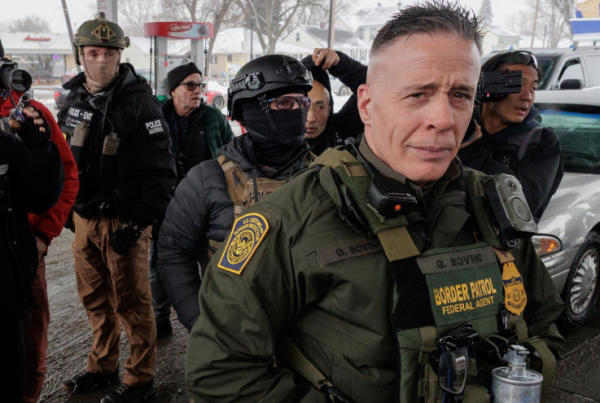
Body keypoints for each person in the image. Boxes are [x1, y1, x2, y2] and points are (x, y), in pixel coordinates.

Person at [185, 3, 565, 402]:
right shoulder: (291, 218)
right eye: (418, 94)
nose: (443, 119)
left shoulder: (491, 205)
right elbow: (220, 372)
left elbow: (544, 325)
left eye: (460, 95)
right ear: (366, 105)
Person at [57, 13, 176, 403]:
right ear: (81, 54)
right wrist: (70, 210)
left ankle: (140, 379)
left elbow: (162, 173)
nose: (102, 61)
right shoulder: (72, 99)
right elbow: (63, 160)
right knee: (94, 298)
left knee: (132, 303)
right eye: (94, 53)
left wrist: (139, 223)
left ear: (120, 55)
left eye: (109, 53)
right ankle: (101, 366)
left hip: (123, 221)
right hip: (84, 218)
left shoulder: (141, 104)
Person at [157, 54, 313, 332]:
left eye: (303, 103)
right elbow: (174, 253)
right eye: (284, 103)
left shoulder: (325, 175)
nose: (299, 112)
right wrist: (202, 325)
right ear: (250, 109)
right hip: (234, 335)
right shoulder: (207, 180)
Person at [0, 65, 79, 403]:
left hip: (20, 251)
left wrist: (43, 235)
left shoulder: (28, 113)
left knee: (28, 341)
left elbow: (66, 174)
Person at [150, 62, 233, 338]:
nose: (198, 90)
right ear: (173, 90)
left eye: (200, 85)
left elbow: (232, 154)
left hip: (206, 208)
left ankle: (212, 325)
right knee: (159, 266)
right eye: (191, 85)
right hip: (165, 207)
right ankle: (159, 318)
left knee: (212, 266)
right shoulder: (156, 119)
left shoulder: (213, 118)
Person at [458, 50, 563, 222]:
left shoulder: (541, 142)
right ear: (487, 85)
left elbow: (523, 206)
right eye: (517, 85)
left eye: (533, 88)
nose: (527, 97)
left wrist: (473, 151)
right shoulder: (459, 125)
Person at [301, 48, 366, 155]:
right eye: (304, 105)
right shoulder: (276, 143)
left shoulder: (343, 130)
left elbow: (372, 88)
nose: (311, 118)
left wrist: (341, 65)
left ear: (329, 108)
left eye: (320, 107)